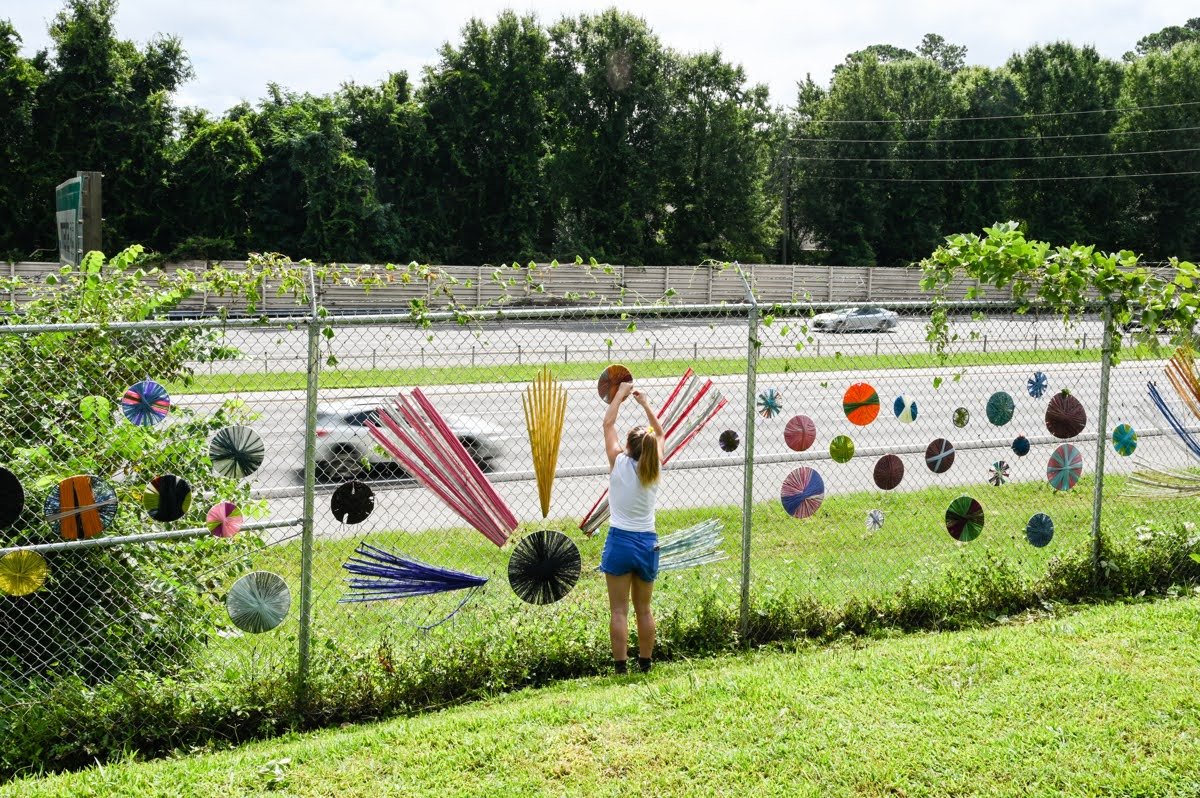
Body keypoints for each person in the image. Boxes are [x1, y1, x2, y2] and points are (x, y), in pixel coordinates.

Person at [599, 381, 664, 674]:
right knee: (644, 609)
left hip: (620, 542)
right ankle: (646, 664)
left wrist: (619, 396)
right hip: (647, 543)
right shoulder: (655, 465)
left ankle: (620, 667)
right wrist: (645, 403)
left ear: (628, 446)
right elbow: (660, 433)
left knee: (618, 610)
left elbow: (608, 423)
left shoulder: (618, 462)